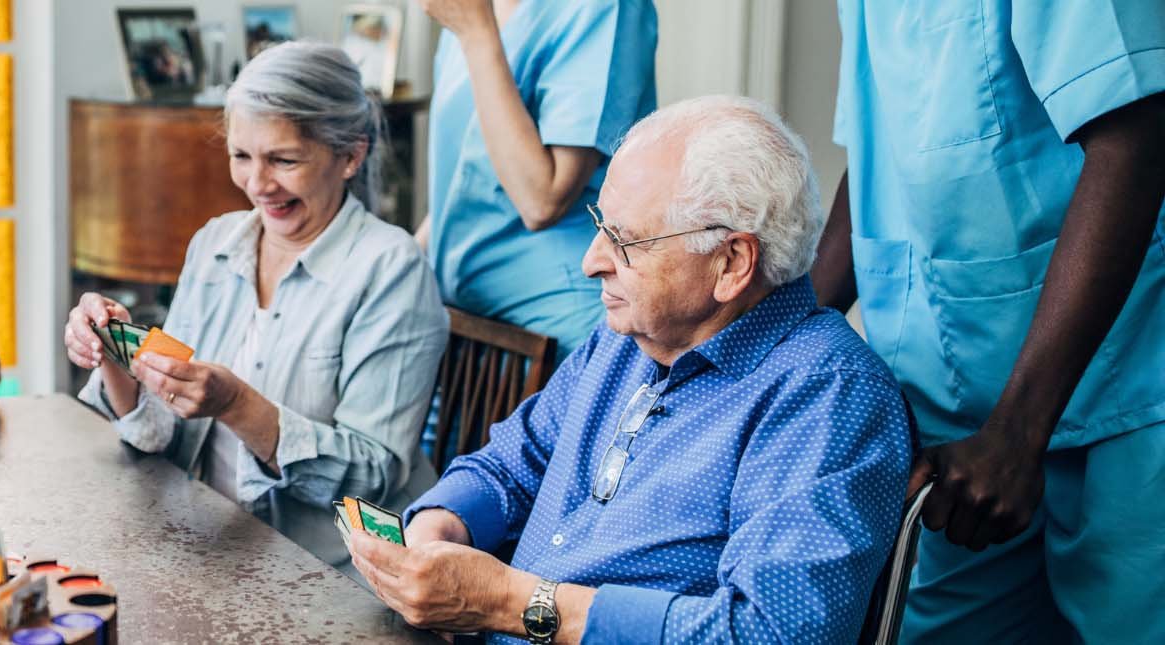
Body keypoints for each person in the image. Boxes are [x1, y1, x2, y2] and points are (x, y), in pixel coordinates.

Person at [348, 97, 912, 644]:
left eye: (623, 240)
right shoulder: (629, 336)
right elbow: (512, 465)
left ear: (732, 263)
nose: (592, 261)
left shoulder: (827, 394)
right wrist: (439, 530)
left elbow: (770, 634)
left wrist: (506, 601)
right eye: (601, 225)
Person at [814, 2, 1165, 642]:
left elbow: (1134, 137)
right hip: (947, 413)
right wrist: (775, 335)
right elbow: (872, 152)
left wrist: (1018, 431)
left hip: (1118, 389)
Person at [65, 43, 449, 570]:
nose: (257, 184)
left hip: (327, 572)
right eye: (241, 156)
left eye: (284, 160)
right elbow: (159, 434)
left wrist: (237, 405)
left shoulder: (391, 270)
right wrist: (115, 353)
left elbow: (372, 478)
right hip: (209, 542)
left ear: (351, 156)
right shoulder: (216, 244)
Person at [417, 0, 656, 362]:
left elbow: (543, 201)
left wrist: (479, 35)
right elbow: (465, 180)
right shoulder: (468, 10)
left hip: (549, 325)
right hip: (455, 318)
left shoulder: (603, 9)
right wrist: (395, 262)